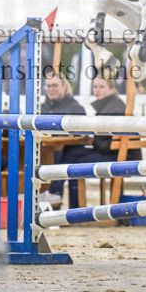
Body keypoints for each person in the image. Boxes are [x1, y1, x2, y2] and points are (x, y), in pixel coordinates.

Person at [37, 73, 88, 206]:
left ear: (64, 87)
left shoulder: (75, 108)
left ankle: (53, 194)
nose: (51, 89)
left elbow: (81, 135)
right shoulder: (42, 108)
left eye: (54, 85)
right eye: (48, 86)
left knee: (62, 155)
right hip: (45, 149)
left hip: (67, 150)